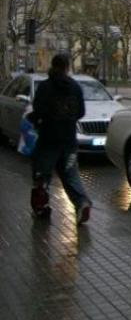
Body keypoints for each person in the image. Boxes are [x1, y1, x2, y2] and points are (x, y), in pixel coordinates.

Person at [29, 54, 92, 224]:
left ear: (52, 65)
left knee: (42, 175)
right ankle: (82, 203)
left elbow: (38, 109)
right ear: (67, 67)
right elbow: (81, 112)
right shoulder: (75, 87)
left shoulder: (45, 87)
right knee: (71, 175)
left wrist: (36, 119)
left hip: (48, 141)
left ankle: (41, 206)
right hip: (69, 142)